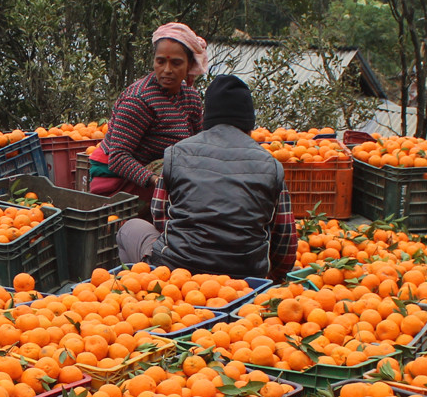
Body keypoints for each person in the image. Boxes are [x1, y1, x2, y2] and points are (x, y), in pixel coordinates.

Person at [114, 75, 296, 280]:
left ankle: (136, 295)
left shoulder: (177, 153)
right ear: (249, 124)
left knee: (129, 228)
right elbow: (285, 238)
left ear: (206, 117)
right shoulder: (271, 165)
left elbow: (160, 216)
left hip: (180, 273)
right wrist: (273, 277)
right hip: (244, 277)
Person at [88, 22, 207, 200]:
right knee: (174, 166)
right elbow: (118, 158)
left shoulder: (191, 98)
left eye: (176, 63)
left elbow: (199, 144)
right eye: (161, 62)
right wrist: (155, 180)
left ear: (189, 65)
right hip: (119, 184)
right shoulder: (139, 100)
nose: (167, 70)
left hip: (161, 177)